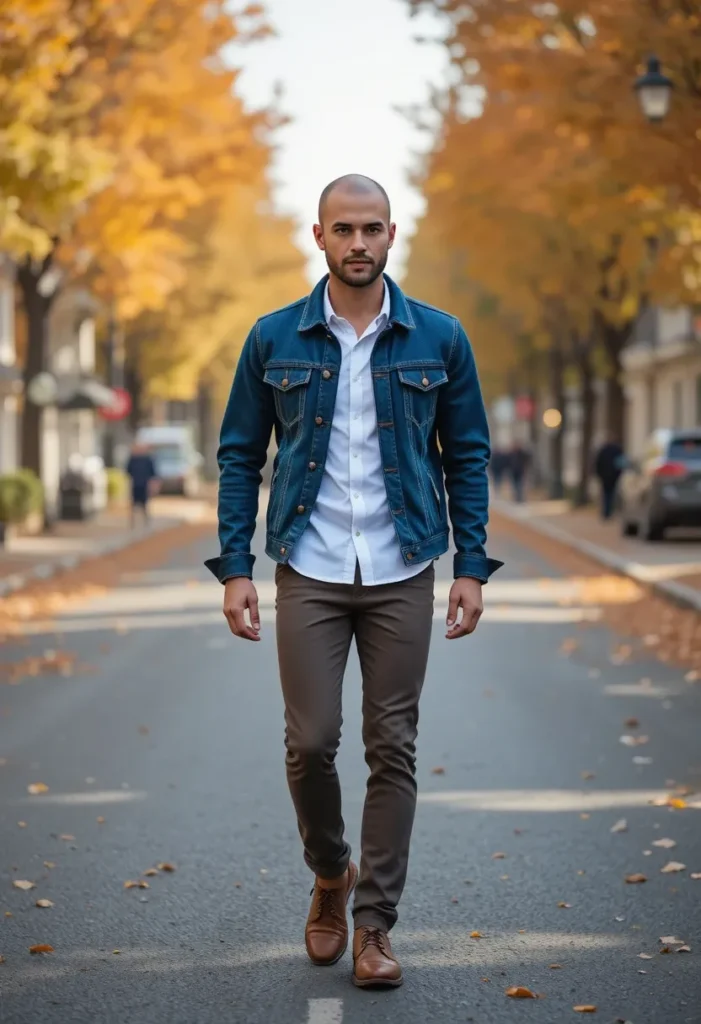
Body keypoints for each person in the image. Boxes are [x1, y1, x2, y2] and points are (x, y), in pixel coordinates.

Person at [205, 174, 502, 990]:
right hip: (310, 563)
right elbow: (239, 456)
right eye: (344, 229)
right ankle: (330, 870)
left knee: (392, 747)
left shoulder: (439, 338)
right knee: (308, 744)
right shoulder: (273, 338)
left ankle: (373, 925)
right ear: (319, 237)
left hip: (404, 565)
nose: (359, 242)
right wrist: (236, 567)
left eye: (372, 228)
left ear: (392, 235)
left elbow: (467, 457)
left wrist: (469, 567)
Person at [125, 441, 158, 528]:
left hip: (144, 484)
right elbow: (128, 471)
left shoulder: (147, 459)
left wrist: (153, 485)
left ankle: (146, 522)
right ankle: (132, 523)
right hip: (135, 484)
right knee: (134, 505)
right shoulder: (133, 459)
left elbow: (153, 474)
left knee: (144, 505)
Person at [594, 435, 624, 520]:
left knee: (606, 494)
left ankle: (606, 512)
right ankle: (609, 511)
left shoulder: (603, 450)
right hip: (613, 476)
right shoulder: (617, 450)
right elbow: (620, 463)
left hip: (605, 476)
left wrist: (599, 474)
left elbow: (598, 463)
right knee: (611, 494)